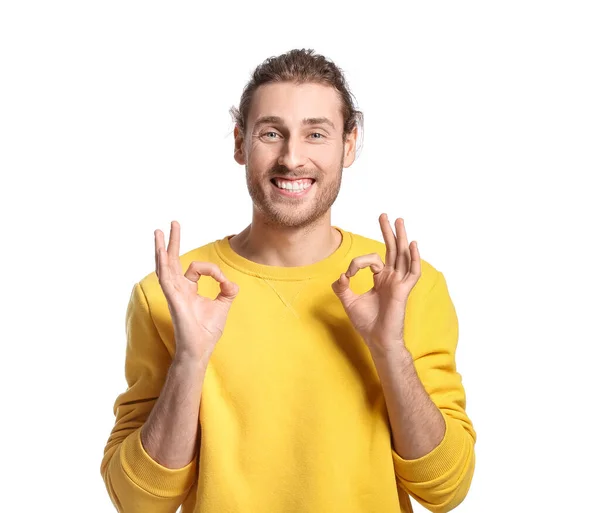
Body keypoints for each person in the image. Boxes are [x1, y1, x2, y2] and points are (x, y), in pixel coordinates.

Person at [100, 48, 476, 513]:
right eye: (271, 133)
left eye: (316, 133)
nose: (292, 158)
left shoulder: (406, 286)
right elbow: (139, 501)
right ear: (240, 144)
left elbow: (447, 488)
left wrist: (389, 350)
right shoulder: (171, 293)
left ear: (349, 144)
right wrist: (190, 360)